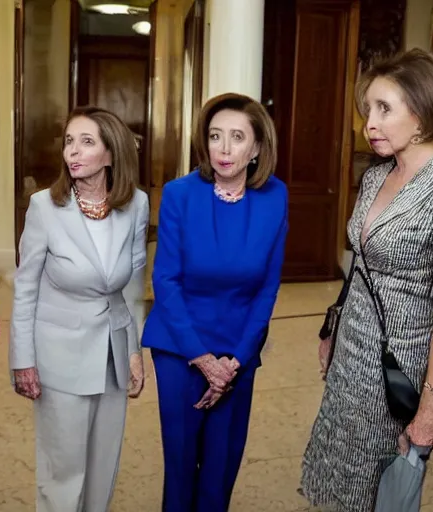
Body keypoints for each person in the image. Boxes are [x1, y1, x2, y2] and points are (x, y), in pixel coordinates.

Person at [300, 49, 433, 510]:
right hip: (351, 354)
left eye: (385, 109)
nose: (370, 123)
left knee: (374, 490)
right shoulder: (376, 175)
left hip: (394, 371)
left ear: (421, 116)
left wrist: (432, 405)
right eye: (369, 110)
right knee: (337, 477)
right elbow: (360, 267)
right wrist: (333, 329)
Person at [142, 92, 288, 511]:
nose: (224, 149)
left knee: (222, 468)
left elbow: (267, 287)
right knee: (182, 464)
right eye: (215, 136)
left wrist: (236, 361)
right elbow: (165, 280)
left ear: (257, 147)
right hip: (179, 345)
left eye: (238, 137)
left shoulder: (274, 196)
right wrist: (203, 360)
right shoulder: (180, 194)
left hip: (238, 351)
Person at [9, 106, 148, 512]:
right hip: (59, 358)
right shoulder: (43, 207)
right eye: (70, 141)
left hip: (113, 356)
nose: (74, 151)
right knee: (63, 473)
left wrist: (135, 351)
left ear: (111, 153)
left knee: (103, 467)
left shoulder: (135, 205)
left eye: (87, 142)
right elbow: (25, 289)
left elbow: (134, 287)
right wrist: (23, 360)